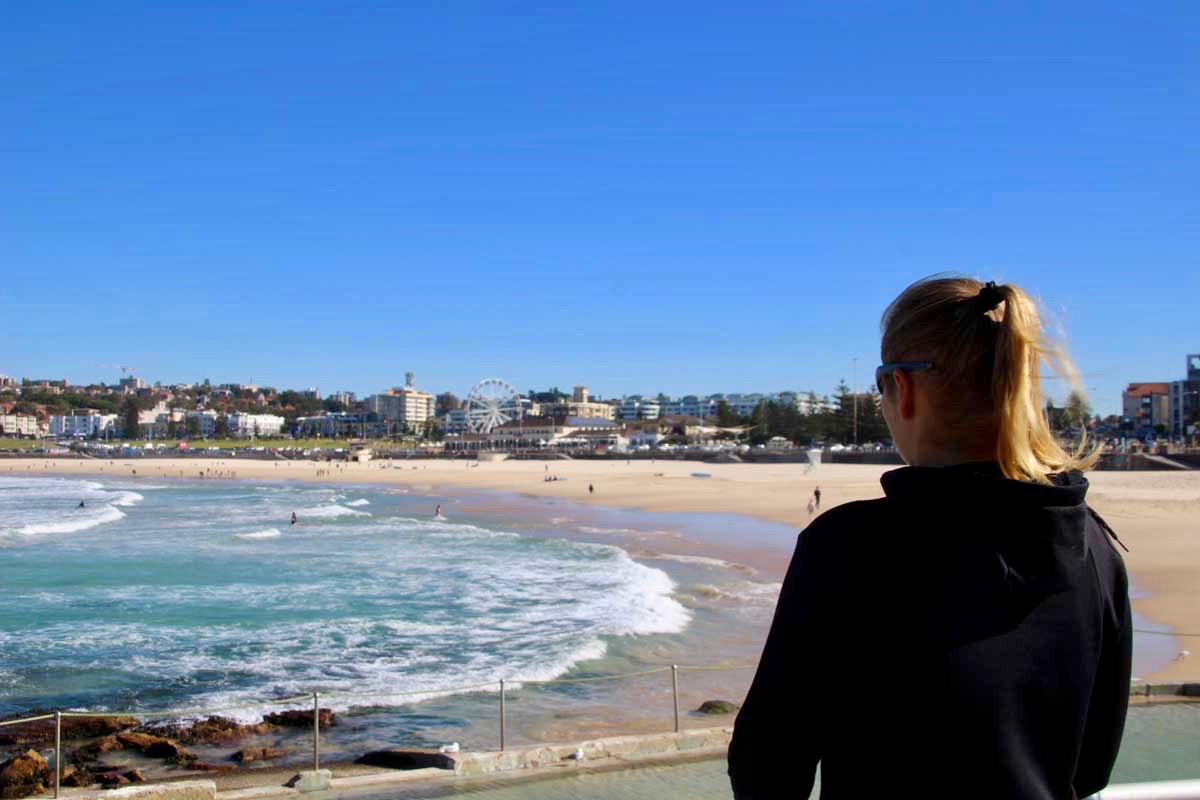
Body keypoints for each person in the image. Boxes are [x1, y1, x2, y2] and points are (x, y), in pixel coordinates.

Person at [729, 277, 1131, 800]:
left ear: (904, 387)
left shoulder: (852, 546)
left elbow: (770, 758)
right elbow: (1092, 765)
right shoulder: (1095, 546)